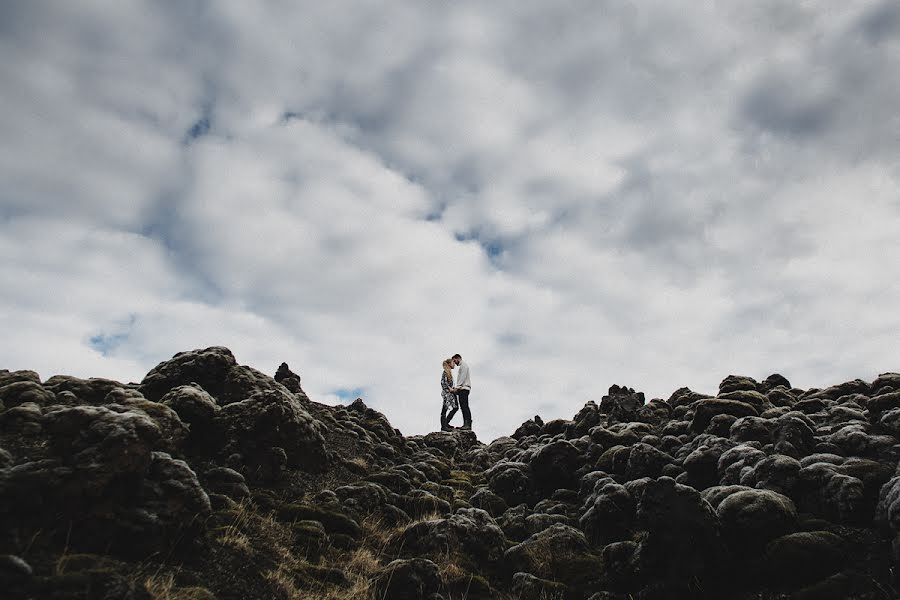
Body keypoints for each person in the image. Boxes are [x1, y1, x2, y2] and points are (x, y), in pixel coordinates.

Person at [452, 353, 472, 430]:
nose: (454, 362)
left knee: (465, 406)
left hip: (464, 389)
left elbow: (462, 378)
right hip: (462, 389)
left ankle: (468, 424)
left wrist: (456, 388)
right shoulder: (463, 366)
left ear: (458, 358)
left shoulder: (463, 365)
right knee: (463, 407)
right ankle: (466, 423)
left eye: (454, 360)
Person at [440, 358, 459, 431]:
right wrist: (449, 389)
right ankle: (444, 427)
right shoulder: (445, 372)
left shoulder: (449, 373)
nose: (454, 364)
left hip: (451, 393)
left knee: (455, 407)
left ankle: (446, 423)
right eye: (453, 362)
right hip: (447, 394)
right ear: (449, 364)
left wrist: (453, 388)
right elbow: (443, 383)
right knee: (444, 410)